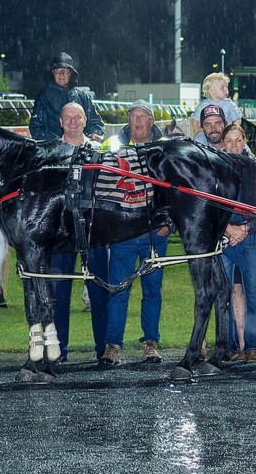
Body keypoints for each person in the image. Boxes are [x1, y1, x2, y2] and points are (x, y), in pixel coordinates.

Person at [91, 99, 170, 366]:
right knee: (118, 290)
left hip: (154, 233)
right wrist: (110, 224)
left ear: (151, 120)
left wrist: (169, 222)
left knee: (152, 290)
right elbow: (100, 189)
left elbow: (175, 190)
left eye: (142, 116)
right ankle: (113, 346)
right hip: (123, 233)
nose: (137, 121)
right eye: (133, 115)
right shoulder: (112, 145)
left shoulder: (164, 148)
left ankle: (151, 343)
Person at [51, 102, 100, 362]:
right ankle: (59, 349)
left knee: (99, 288)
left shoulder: (97, 152)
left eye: (77, 117)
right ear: (61, 122)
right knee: (58, 292)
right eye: (67, 117)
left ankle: (104, 349)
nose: (72, 122)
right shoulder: (50, 153)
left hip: (95, 230)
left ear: (85, 121)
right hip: (61, 232)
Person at [218, 123, 256, 362]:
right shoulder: (215, 168)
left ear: (245, 141)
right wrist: (228, 229)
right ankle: (229, 346)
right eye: (229, 140)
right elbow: (211, 205)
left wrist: (245, 228)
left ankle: (254, 345)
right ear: (222, 143)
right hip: (224, 235)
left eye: (238, 140)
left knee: (254, 291)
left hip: (252, 234)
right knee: (224, 292)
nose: (234, 145)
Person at [28, 52, 104, 141]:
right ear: (52, 73)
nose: (62, 74)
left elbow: (95, 121)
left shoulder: (82, 96)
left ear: (71, 74)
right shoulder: (43, 97)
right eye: (58, 70)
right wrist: (58, 141)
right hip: (53, 147)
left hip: (80, 146)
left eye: (66, 70)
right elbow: (36, 127)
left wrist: (94, 134)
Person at [190, 72, 242, 143]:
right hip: (208, 135)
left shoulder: (229, 104)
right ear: (210, 90)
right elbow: (195, 120)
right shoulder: (202, 105)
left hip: (226, 134)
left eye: (226, 87)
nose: (226, 90)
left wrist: (232, 130)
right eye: (222, 88)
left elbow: (237, 119)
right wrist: (197, 131)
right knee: (199, 140)